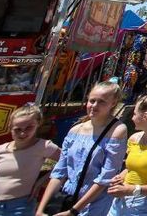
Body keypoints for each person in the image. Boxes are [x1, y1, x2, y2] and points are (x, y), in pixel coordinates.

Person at [37, 82, 128, 216]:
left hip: (94, 204)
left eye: (101, 102)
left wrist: (74, 211)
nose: (94, 106)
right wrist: (41, 208)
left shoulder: (117, 131)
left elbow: (105, 177)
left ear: (113, 103)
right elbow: (60, 172)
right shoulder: (75, 130)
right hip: (67, 198)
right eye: (92, 101)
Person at [0, 104, 60, 215]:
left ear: (38, 124)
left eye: (29, 128)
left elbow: (68, 162)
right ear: (10, 127)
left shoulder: (43, 146)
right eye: (17, 129)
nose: (23, 133)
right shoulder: (0, 150)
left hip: (21, 205)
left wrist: (42, 180)